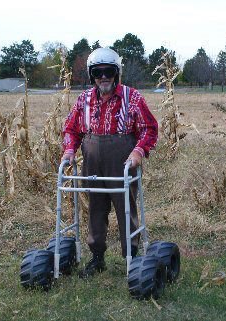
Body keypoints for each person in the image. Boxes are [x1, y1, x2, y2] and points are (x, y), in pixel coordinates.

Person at [61, 47, 158, 278]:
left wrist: (138, 151)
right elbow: (70, 129)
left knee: (126, 207)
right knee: (96, 208)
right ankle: (97, 258)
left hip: (122, 160)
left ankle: (131, 258)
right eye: (98, 72)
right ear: (91, 75)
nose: (103, 77)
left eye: (108, 71)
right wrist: (69, 149)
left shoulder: (131, 97)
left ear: (117, 72)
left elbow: (149, 129)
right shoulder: (83, 100)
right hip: (93, 161)